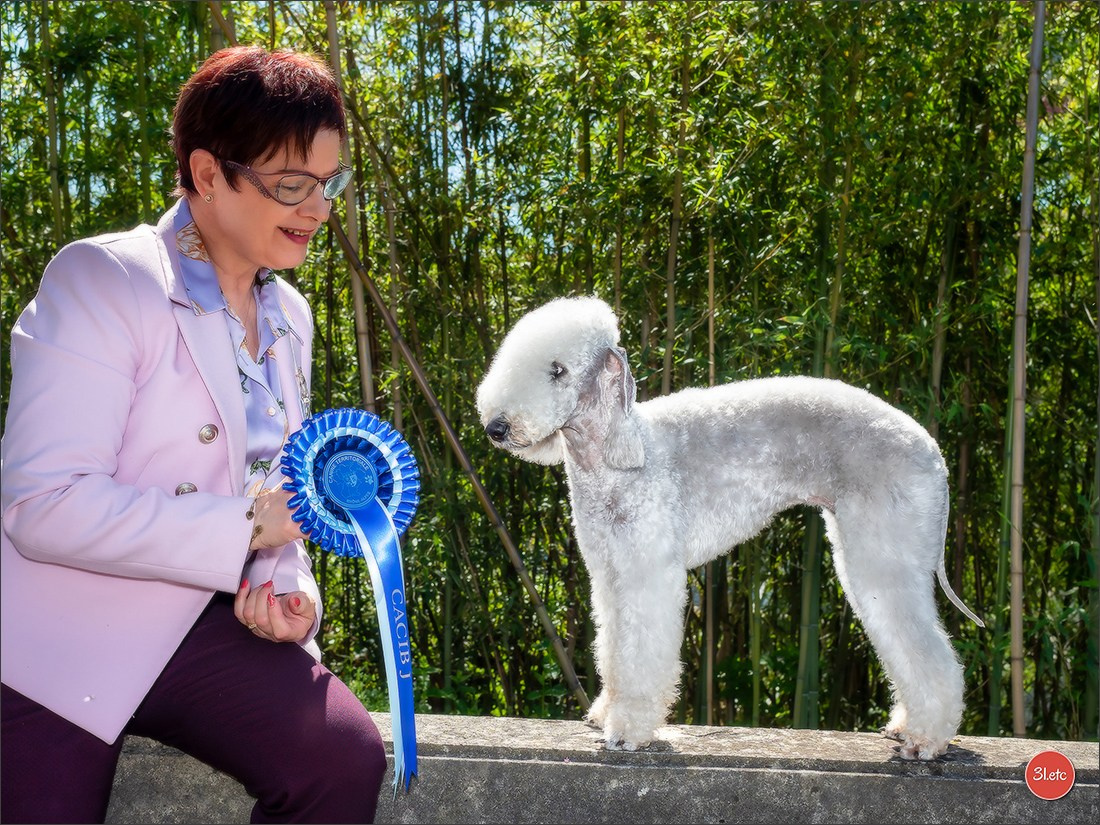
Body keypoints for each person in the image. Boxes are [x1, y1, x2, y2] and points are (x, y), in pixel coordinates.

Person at [1, 46, 387, 823]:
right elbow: (42, 505)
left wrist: (288, 587)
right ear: (208, 173)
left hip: (197, 630)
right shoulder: (103, 278)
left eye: (330, 183)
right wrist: (248, 526)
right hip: (58, 635)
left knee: (341, 756)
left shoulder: (292, 316)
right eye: (291, 184)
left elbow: (275, 492)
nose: (317, 208)